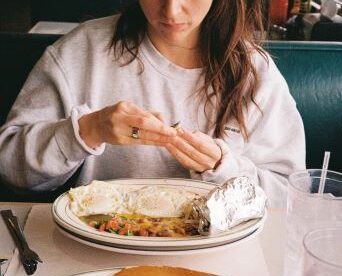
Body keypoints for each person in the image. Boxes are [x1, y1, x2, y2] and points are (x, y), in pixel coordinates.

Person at [0, 0, 305, 206]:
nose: (171, 11)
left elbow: (290, 199)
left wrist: (223, 169)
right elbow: (11, 171)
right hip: (95, 252)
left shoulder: (257, 74)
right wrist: (86, 130)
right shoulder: (81, 51)